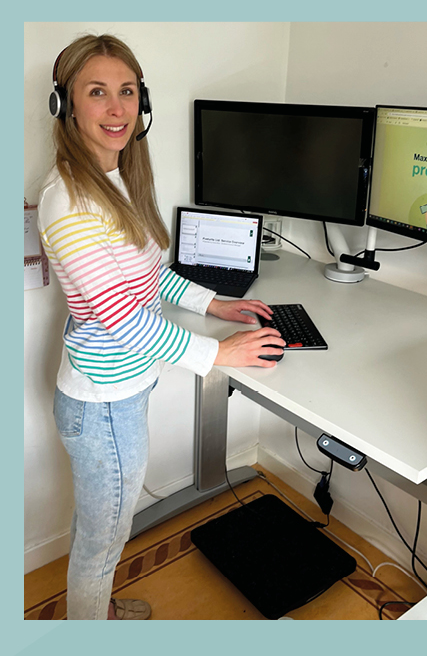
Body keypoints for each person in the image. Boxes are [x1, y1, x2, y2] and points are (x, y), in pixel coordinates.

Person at [37, 34, 286, 620]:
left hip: (118, 391)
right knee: (103, 541)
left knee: (104, 526)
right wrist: (218, 356)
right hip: (102, 402)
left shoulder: (118, 181)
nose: (117, 108)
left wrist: (212, 304)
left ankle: (95, 611)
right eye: (97, 93)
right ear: (65, 106)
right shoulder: (68, 202)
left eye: (127, 92)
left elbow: (147, 278)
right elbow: (120, 318)